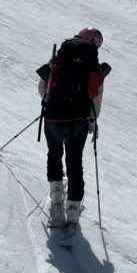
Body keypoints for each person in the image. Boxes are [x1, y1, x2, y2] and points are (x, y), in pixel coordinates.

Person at [36, 27, 111, 229]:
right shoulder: (91, 65)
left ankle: (57, 195)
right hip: (78, 120)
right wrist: (92, 118)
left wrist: (49, 103)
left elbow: (44, 86)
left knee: (54, 153)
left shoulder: (61, 56)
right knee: (74, 161)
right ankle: (73, 210)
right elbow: (96, 96)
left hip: (53, 117)